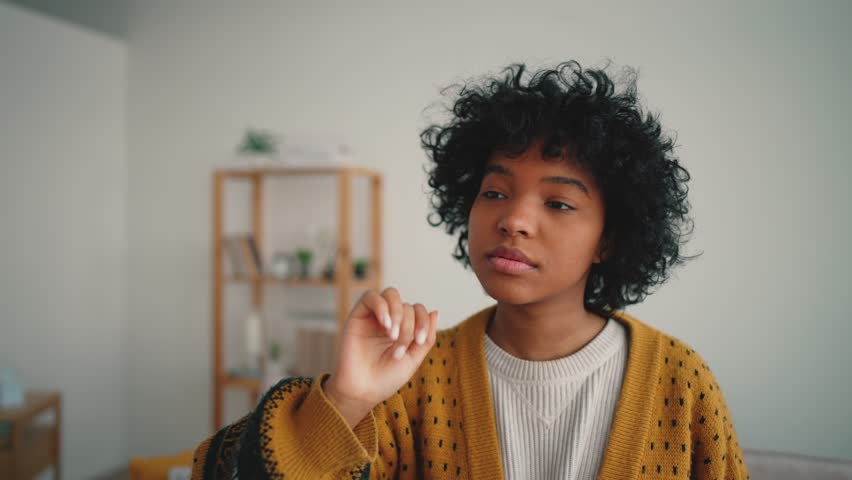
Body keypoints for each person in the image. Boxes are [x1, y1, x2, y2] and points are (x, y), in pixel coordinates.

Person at [191, 60, 749, 479]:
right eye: (494, 192)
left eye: (558, 203)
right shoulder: (413, 384)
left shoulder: (681, 381)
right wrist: (348, 399)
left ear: (611, 238)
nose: (514, 220)